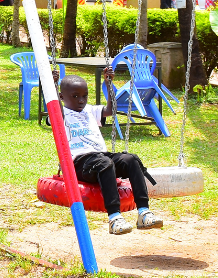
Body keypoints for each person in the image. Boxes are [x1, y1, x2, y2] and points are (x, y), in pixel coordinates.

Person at [54, 69, 163, 234]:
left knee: (131, 159)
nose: (81, 100)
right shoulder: (60, 114)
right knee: (104, 163)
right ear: (62, 97)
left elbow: (111, 110)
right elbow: (55, 111)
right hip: (79, 163)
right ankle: (114, 217)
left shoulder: (90, 110)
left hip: (100, 157)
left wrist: (108, 83)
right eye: (75, 96)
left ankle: (143, 211)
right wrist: (53, 86)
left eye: (84, 96)